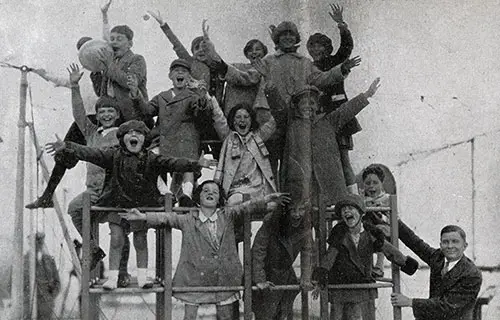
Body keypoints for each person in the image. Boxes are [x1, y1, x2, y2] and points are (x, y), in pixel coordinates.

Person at [46, 120, 216, 290]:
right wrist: (67, 145)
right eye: (129, 133)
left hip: (140, 207)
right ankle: (112, 278)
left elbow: (172, 162)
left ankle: (142, 277)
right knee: (116, 239)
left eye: (139, 133)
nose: (134, 135)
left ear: (144, 139)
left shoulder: (152, 158)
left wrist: (196, 164)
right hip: (117, 204)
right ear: (122, 138)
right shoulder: (112, 155)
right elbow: (90, 153)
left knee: (140, 240)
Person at [119, 180, 290, 320]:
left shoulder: (228, 216)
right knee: (189, 316)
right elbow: (166, 218)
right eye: (205, 190)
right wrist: (142, 216)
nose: (210, 193)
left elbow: (247, 206)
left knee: (225, 316)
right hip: (194, 277)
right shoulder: (187, 219)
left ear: (220, 199)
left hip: (222, 277)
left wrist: (268, 198)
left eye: (215, 192)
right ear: (198, 197)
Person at [25, 0, 115, 209]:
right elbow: (58, 79)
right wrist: (40, 71)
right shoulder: (80, 77)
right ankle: (47, 196)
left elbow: (108, 41)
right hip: (87, 121)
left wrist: (104, 16)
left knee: (108, 157)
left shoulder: (109, 73)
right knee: (63, 155)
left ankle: (110, 191)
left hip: (106, 120)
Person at [312, 194, 418, 320]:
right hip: (340, 285)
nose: (346, 211)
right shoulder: (339, 234)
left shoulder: (371, 233)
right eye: (343, 210)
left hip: (361, 284)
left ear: (361, 213)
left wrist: (405, 262)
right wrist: (320, 276)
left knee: (357, 315)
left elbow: (389, 250)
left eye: (351, 208)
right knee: (337, 316)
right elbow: (330, 256)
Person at [129, 58, 215, 206]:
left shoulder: (193, 96)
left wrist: (202, 98)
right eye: (176, 71)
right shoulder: (162, 96)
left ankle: (186, 196)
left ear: (189, 77)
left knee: (189, 164)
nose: (180, 73)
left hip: (185, 141)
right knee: (149, 161)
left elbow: (202, 116)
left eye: (184, 71)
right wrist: (135, 92)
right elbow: (147, 111)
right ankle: (165, 193)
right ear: (170, 76)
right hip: (164, 141)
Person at [147, 11, 223, 158]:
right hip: (194, 111)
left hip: (214, 112)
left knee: (219, 149)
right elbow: (177, 46)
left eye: (204, 47)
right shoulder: (191, 64)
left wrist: (208, 41)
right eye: (197, 48)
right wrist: (164, 25)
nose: (201, 50)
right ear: (192, 52)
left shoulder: (218, 65)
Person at [307, 3, 361, 195]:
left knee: (343, 158)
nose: (315, 49)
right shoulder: (309, 68)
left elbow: (346, 47)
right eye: (311, 45)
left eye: (319, 44)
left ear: (327, 47)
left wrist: (341, 25)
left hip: (338, 114)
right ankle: (329, 197)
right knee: (323, 162)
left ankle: (353, 196)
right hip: (319, 119)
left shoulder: (334, 61)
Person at [391, 220, 482, 320]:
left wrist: (410, 302)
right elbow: (415, 243)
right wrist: (394, 220)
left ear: (465, 246)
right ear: (440, 244)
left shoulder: (472, 274)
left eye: (455, 242)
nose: (450, 246)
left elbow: (447, 306)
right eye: (445, 242)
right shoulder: (438, 257)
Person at [251, 203, 311, 320]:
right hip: (266, 275)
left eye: (301, 209)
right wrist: (260, 279)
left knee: (285, 314)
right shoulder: (271, 223)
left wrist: (306, 276)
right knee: (265, 316)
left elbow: (308, 252)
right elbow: (258, 251)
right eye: (293, 209)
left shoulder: (304, 226)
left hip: (285, 276)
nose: (297, 214)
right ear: (285, 211)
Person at [23, 232, 61, 320]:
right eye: (35, 243)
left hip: (46, 305)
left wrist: (51, 297)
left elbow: (57, 283)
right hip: (29, 303)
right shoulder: (24, 260)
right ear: (31, 244)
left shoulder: (49, 261)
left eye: (40, 243)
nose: (38, 246)